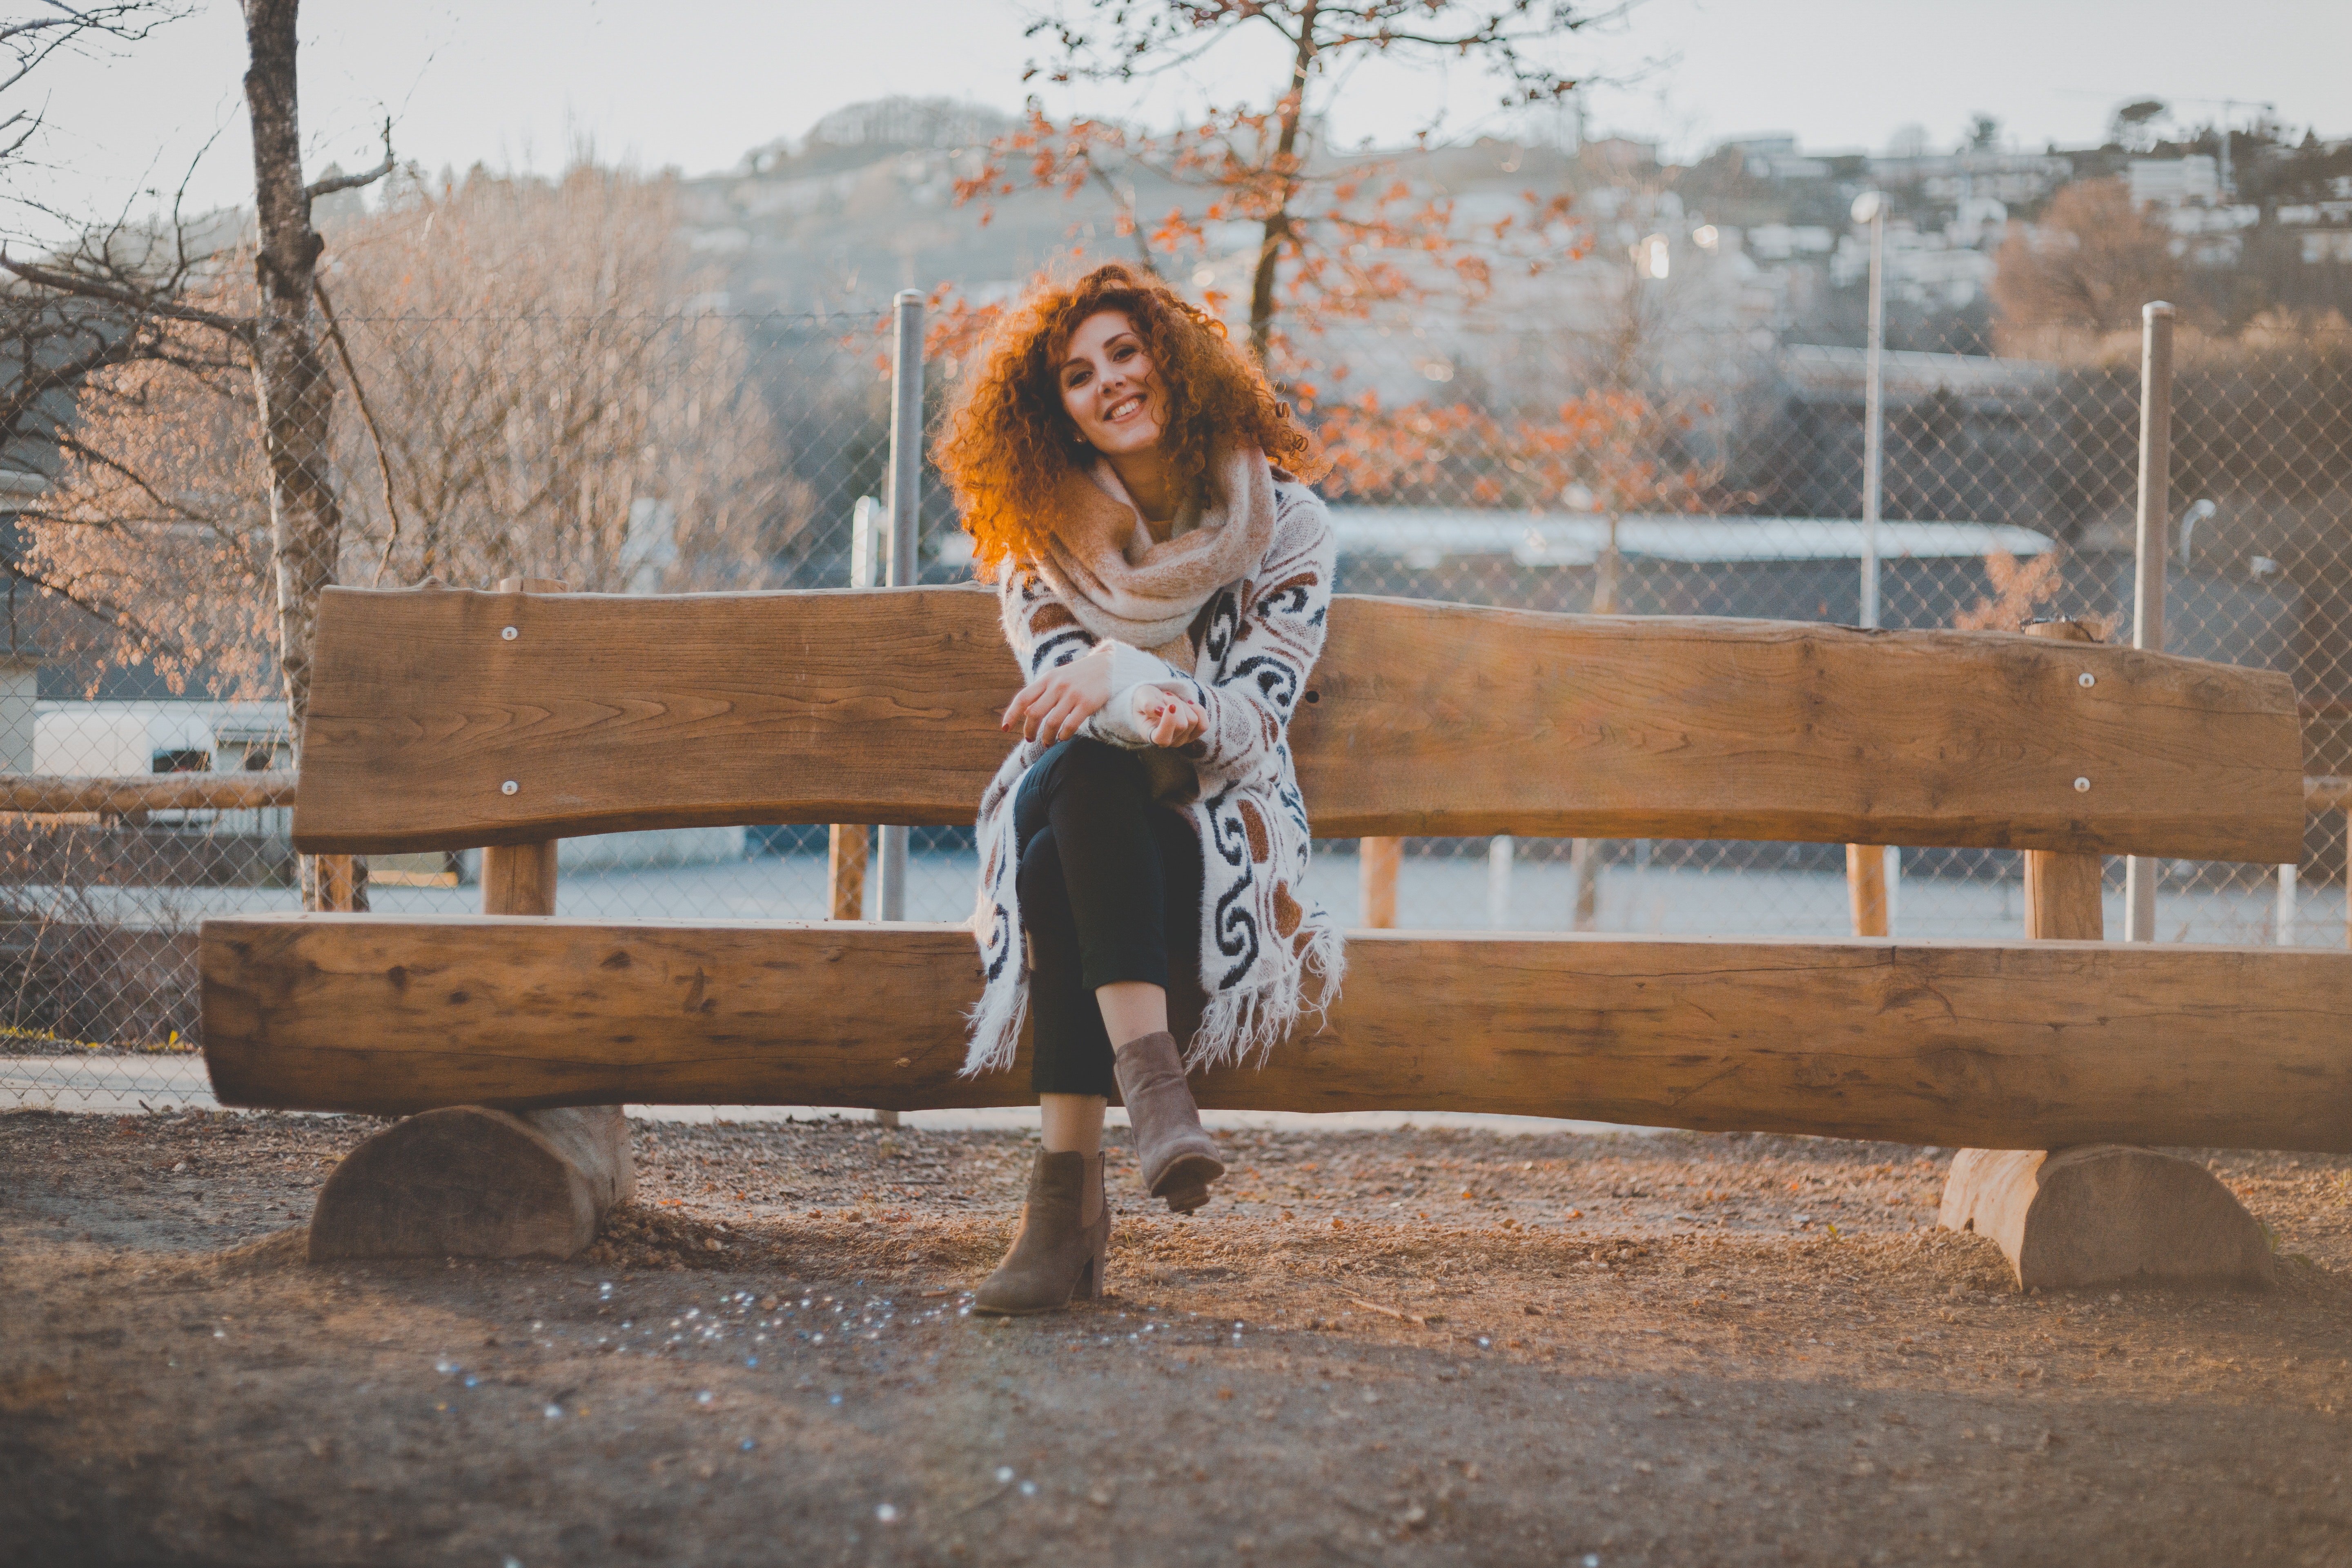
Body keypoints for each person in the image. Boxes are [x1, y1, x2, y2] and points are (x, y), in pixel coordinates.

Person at [934, 262, 1345, 1315]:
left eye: (1126, 352)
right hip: (1075, 788)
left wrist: (1129, 675)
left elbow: (1255, 715)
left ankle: (1061, 1214)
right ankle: (1158, 1097)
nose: (1110, 381)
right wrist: (1135, 690)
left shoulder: (1287, 524)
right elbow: (1064, 710)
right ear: (1054, 411)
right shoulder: (1039, 540)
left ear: (1173, 359)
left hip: (1209, 826)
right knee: (1085, 773)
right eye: (1078, 374)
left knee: (1059, 868)